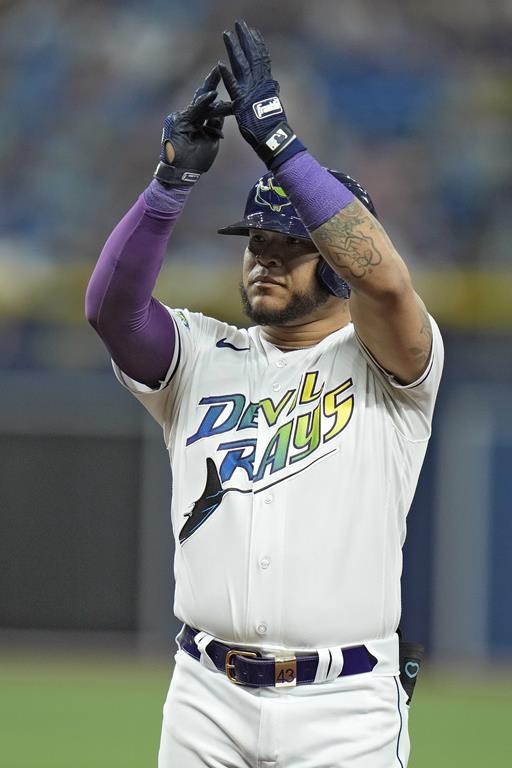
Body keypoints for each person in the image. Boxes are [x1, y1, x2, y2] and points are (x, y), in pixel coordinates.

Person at [86, 20, 443, 768]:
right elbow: (111, 312)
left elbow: (385, 279)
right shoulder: (199, 357)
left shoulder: (393, 365)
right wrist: (168, 185)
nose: (264, 259)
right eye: (256, 243)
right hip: (204, 698)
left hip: (345, 707)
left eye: (289, 247)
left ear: (337, 264)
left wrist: (280, 142)